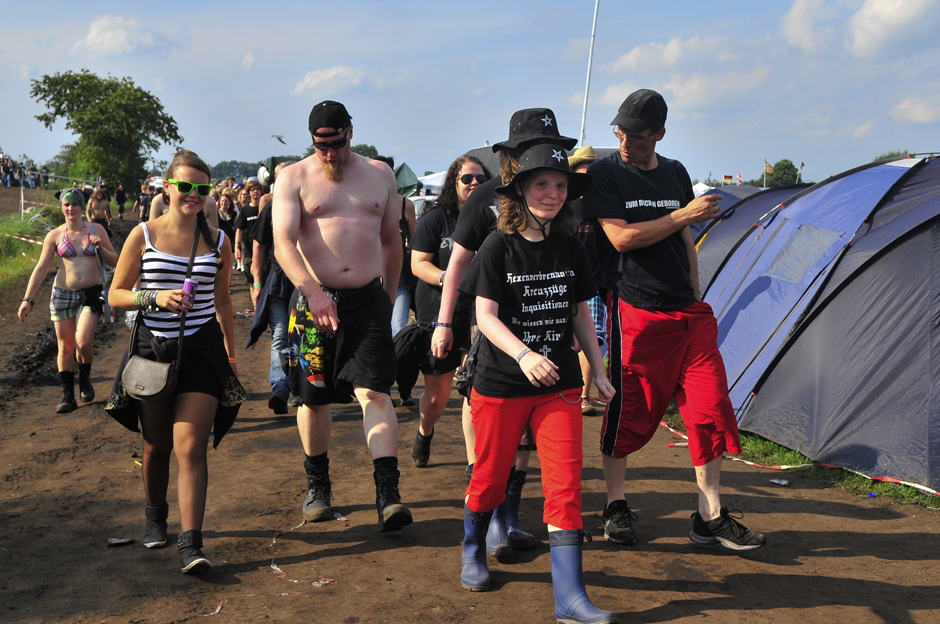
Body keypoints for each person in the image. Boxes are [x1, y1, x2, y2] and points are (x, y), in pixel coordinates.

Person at [581, 89, 766, 551]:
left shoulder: (676, 172)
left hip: (688, 313)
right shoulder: (606, 174)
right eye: (620, 133)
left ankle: (710, 515)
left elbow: (684, 239)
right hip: (635, 311)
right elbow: (620, 239)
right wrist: (682, 212)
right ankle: (616, 504)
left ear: (660, 134)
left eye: (638, 137)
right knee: (630, 411)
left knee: (708, 411)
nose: (626, 144)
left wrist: (696, 291)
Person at [457, 144, 617, 624]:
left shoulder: (570, 245)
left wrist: (600, 369)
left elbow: (580, 313)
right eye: (542, 185)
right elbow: (483, 316)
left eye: (560, 186)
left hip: (560, 385)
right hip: (501, 382)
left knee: (565, 485)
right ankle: (472, 548)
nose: (552, 194)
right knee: (488, 478)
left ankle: (569, 598)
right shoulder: (497, 246)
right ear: (520, 191)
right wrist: (524, 354)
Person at [434, 108, 578, 558]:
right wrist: (442, 321)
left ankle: (508, 519)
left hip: (548, 341)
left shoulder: (557, 200)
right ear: (509, 155)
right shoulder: (485, 199)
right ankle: (489, 520)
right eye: (522, 149)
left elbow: (574, 291)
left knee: (530, 445)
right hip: (496, 333)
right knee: (495, 444)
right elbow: (458, 264)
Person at [105, 149, 245, 574]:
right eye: (185, 186)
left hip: (202, 352)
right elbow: (116, 294)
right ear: (167, 187)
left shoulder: (218, 241)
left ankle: (192, 545)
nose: (193, 195)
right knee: (157, 445)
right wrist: (154, 297)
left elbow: (222, 301)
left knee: (191, 447)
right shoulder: (143, 235)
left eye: (201, 189)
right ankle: (154, 513)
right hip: (152, 350)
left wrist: (231, 352)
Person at [274, 100, 411, 532]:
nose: (329, 154)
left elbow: (392, 241)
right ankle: (318, 487)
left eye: (336, 143)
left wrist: (388, 297)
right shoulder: (293, 176)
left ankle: (388, 493)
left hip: (368, 301)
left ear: (351, 131)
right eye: (320, 146)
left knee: (375, 392)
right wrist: (312, 292)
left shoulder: (379, 174)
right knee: (313, 400)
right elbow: (283, 243)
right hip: (313, 303)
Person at [407, 155, 486, 468]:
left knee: (473, 391)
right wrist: (450, 278)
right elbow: (417, 264)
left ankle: (473, 464)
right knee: (438, 396)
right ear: (454, 183)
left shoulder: (494, 217)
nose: (474, 183)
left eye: (481, 178)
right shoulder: (436, 218)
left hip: (480, 316)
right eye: (467, 178)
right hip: (438, 313)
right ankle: (425, 430)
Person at [17, 188, 118, 413]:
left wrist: (100, 247)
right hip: (63, 294)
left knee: (82, 342)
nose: (70, 208)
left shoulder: (96, 229)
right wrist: (28, 298)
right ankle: (67, 396)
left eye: (74, 204)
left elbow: (114, 260)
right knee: (65, 347)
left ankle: (85, 377)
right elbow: (41, 268)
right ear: (62, 207)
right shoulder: (54, 235)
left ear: (82, 207)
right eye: (66, 205)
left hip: (91, 294)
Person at [249, 161, 297, 414]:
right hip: (278, 279)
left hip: (307, 281)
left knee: (303, 334)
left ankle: (300, 386)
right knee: (280, 333)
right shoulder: (271, 208)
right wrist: (257, 282)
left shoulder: (312, 204)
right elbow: (259, 245)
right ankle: (280, 386)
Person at [567, 146, 609, 416]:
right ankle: (577, 394)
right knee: (582, 339)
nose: (586, 177)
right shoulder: (564, 206)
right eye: (581, 172)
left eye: (591, 173)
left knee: (591, 337)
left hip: (596, 283)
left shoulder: (603, 206)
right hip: (566, 283)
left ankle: (581, 395)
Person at [235, 181, 262, 291]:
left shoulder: (266, 207)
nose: (256, 191)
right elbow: (239, 229)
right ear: (249, 193)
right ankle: (256, 307)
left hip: (264, 249)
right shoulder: (245, 210)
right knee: (251, 281)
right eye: (253, 189)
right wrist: (237, 246)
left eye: (258, 189)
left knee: (262, 280)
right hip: (249, 250)